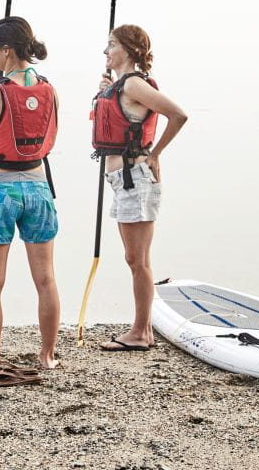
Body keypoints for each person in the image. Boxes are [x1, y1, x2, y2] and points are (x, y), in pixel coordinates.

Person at [0, 16, 61, 371]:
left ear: (6, 50)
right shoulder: (49, 89)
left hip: (0, 191)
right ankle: (48, 356)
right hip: (39, 189)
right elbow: (49, 140)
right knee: (46, 279)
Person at [92, 24, 187, 352]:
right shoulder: (122, 86)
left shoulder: (134, 84)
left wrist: (155, 154)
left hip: (136, 178)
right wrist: (108, 93)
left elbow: (178, 115)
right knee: (134, 258)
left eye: (112, 44)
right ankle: (141, 328)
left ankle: (141, 332)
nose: (106, 51)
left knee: (139, 260)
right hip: (123, 181)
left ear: (129, 50)